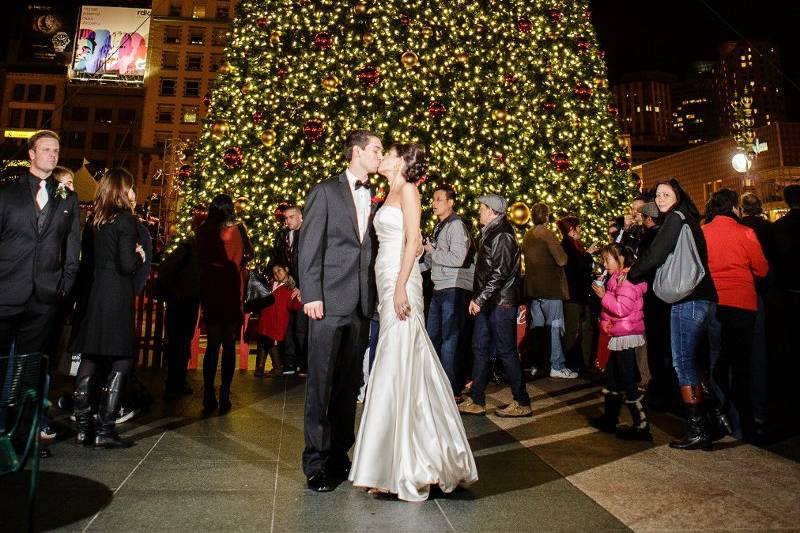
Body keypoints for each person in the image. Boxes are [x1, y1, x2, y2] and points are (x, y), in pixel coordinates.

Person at [349, 143, 477, 502]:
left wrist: (402, 285)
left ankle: (407, 463)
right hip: (386, 276)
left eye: (388, 153)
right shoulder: (387, 191)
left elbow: (412, 241)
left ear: (402, 162)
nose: (383, 157)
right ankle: (389, 462)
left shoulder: (409, 189)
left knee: (401, 359)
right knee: (392, 362)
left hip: (400, 281)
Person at [299, 130, 381, 492]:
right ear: (358, 151)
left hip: (361, 304)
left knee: (348, 384)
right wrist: (311, 294)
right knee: (321, 382)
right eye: (376, 150)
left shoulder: (378, 199)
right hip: (328, 303)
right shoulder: (325, 192)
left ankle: (338, 455)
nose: (380, 155)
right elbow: (309, 245)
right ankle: (315, 462)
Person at [628, 179, 718, 451]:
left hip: (688, 299)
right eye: (658, 194)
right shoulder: (688, 218)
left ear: (678, 196)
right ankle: (717, 418)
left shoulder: (675, 218)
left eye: (667, 193)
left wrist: (631, 275)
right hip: (703, 298)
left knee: (682, 362)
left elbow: (657, 253)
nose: (662, 198)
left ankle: (698, 429)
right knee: (696, 360)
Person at [69, 168, 145, 448]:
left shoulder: (94, 221)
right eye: (131, 187)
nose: (133, 193)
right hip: (115, 294)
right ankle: (105, 427)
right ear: (122, 191)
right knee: (122, 357)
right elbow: (126, 264)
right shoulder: (125, 220)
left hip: (95, 291)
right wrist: (139, 256)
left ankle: (83, 425)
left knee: (91, 355)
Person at [458, 194, 533, 417]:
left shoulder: (502, 235)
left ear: (491, 210)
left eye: (481, 208)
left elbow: (500, 273)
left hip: (501, 303)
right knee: (480, 347)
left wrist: (479, 299)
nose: (479, 211)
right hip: (490, 300)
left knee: (506, 351)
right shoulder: (490, 233)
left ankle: (522, 401)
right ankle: (476, 399)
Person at [703, 189, 769, 441]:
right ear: (733, 208)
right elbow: (761, 269)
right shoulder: (745, 233)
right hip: (742, 304)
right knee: (743, 362)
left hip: (713, 303)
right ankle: (749, 419)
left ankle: (724, 416)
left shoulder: (703, 232)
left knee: (716, 358)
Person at [590, 243, 651, 440]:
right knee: (612, 377)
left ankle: (642, 425)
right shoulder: (616, 278)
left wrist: (603, 295)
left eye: (607, 259)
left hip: (626, 335)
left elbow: (621, 309)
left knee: (626, 379)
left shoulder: (627, 280)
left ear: (621, 259)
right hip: (618, 333)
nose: (604, 263)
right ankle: (610, 418)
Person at [422, 183, 474, 398]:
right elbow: (431, 260)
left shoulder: (456, 225)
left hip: (454, 288)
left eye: (438, 199)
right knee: (433, 336)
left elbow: (458, 258)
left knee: (450, 339)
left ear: (451, 203)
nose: (433, 204)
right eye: (433, 199)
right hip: (440, 287)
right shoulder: (440, 226)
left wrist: (432, 252)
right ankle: (438, 384)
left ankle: (451, 389)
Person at [196, 194, 244, 415]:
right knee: (229, 345)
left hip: (211, 293)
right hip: (231, 292)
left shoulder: (203, 231)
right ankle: (224, 393)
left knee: (213, 345)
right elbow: (240, 257)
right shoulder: (234, 230)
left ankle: (208, 393)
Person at [522, 203, 577, 378]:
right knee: (555, 327)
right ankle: (557, 365)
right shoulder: (547, 233)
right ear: (546, 216)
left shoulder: (528, 235)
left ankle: (537, 364)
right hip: (550, 289)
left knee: (537, 328)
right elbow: (562, 260)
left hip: (533, 289)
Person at [739, 193, 772, 437]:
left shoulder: (743, 230)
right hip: (767, 291)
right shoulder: (768, 229)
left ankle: (742, 410)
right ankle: (760, 409)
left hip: (743, 294)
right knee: (760, 351)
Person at [157, 218, 201, 398]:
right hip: (183, 301)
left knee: (180, 342)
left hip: (185, 299)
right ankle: (175, 381)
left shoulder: (192, 248)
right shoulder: (190, 248)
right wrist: (176, 292)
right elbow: (166, 269)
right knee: (179, 342)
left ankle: (176, 380)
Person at [636, 201, 673, 409]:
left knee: (656, 345)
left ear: (649, 219)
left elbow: (643, 264)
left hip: (651, 294)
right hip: (667, 293)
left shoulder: (648, 238)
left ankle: (659, 390)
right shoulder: (668, 234)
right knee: (667, 342)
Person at [557, 216, 598, 371]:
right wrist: (587, 255)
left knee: (584, 328)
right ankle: (569, 362)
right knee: (572, 329)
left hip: (579, 294)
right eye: (579, 227)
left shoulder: (574, 245)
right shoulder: (567, 246)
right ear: (572, 229)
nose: (581, 230)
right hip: (574, 295)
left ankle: (584, 362)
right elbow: (576, 268)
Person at [254, 264, 302, 377]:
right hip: (265, 317)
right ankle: (260, 366)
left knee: (271, 341)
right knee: (262, 340)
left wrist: (299, 297)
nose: (277, 274)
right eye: (274, 272)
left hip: (277, 320)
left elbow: (293, 306)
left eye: (279, 270)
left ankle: (277, 366)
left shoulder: (290, 288)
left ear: (286, 269)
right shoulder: (270, 284)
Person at [277, 206, 308, 375]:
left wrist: (302, 288)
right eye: (286, 218)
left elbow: (310, 264)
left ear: (300, 217)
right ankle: (289, 363)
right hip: (287, 286)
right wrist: (284, 278)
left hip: (304, 288)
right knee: (287, 326)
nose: (287, 221)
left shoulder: (307, 234)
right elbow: (277, 259)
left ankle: (304, 363)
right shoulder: (282, 235)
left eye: (291, 217)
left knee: (301, 328)